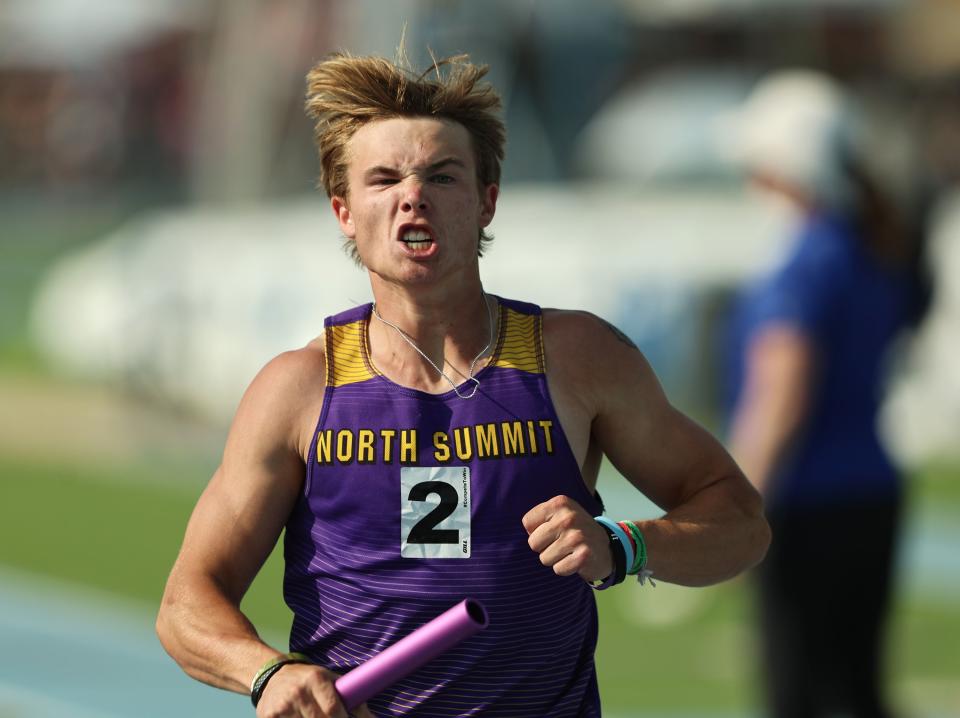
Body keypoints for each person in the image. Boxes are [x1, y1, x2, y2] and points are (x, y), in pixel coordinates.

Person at [156, 50, 770, 718]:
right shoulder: (299, 389)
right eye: (383, 179)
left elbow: (739, 521)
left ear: (487, 202)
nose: (412, 196)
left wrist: (624, 546)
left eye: (441, 176)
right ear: (343, 212)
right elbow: (187, 603)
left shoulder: (576, 359)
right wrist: (267, 674)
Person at [725, 71, 931, 718]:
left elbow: (781, 397)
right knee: (857, 689)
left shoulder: (807, 261)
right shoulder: (872, 248)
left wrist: (733, 503)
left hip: (807, 505)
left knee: (800, 694)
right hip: (872, 492)